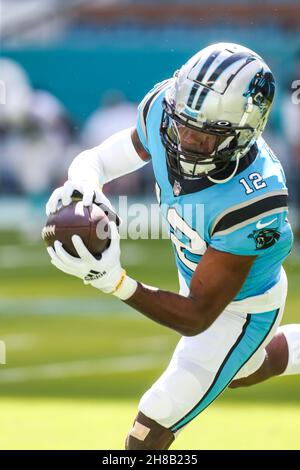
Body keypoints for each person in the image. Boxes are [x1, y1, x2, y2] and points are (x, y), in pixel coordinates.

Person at [46, 43, 299, 450]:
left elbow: (198, 317)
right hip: (198, 280)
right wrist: (84, 185)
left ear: (243, 131)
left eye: (203, 135)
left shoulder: (256, 197)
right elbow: (100, 159)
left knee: (154, 420)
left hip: (241, 308)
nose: (184, 138)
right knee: (241, 371)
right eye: (183, 123)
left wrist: (113, 281)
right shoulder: (167, 110)